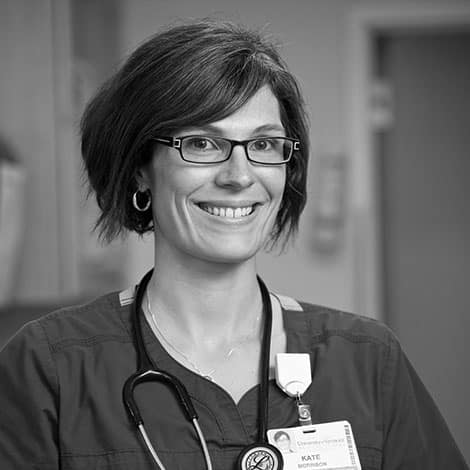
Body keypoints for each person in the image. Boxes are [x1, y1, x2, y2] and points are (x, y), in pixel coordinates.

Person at [0, 18, 467, 470]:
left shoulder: (364, 359)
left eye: (263, 145)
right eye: (202, 144)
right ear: (140, 166)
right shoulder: (51, 366)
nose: (239, 176)